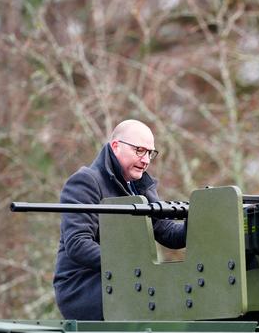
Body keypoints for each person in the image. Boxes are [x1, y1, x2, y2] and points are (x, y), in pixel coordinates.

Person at [53, 120, 186, 320]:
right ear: (116, 146)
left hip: (127, 280)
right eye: (140, 150)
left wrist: (203, 221)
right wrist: (129, 266)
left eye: (150, 153)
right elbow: (77, 244)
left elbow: (168, 233)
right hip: (84, 287)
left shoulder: (140, 186)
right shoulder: (86, 181)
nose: (146, 160)